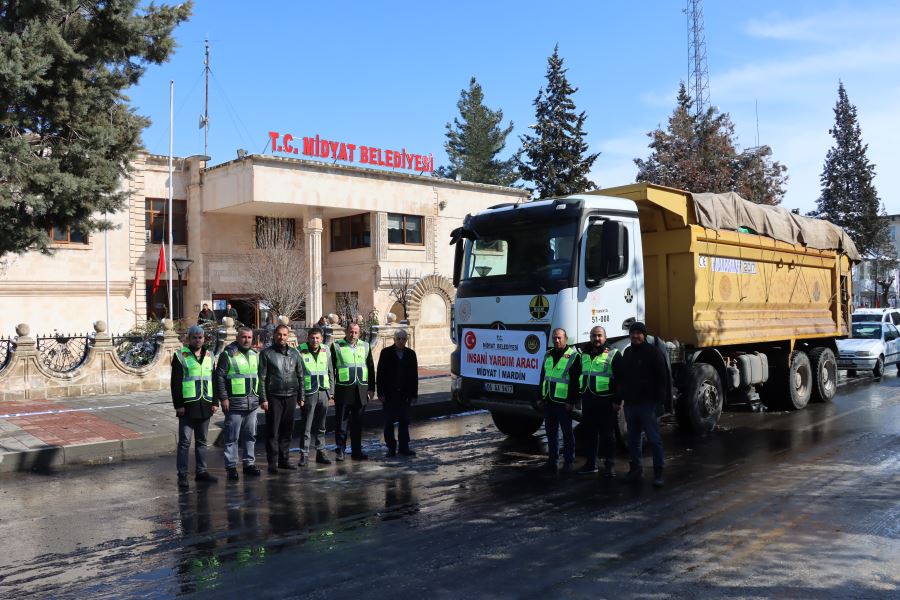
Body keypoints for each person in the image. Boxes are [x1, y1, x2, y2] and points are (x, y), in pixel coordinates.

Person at [618, 322, 667, 487]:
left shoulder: (654, 353)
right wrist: (621, 399)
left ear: (644, 335)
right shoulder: (628, 353)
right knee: (633, 439)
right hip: (631, 405)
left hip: (648, 405)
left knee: (654, 440)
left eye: (639, 333)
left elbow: (662, 380)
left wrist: (660, 403)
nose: (635, 336)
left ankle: (658, 474)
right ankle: (636, 470)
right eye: (633, 333)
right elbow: (622, 379)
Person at [171, 325, 219, 488]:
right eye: (194, 337)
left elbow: (214, 379)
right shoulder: (180, 355)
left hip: (205, 403)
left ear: (204, 339)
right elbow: (175, 383)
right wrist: (179, 405)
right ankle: (182, 475)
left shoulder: (210, 355)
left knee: (202, 441)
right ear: (189, 339)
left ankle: (202, 472)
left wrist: (215, 401)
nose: (198, 340)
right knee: (185, 442)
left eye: (200, 337)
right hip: (187, 405)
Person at [214, 326, 263, 481]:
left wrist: (262, 398)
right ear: (237, 337)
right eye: (243, 337)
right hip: (234, 403)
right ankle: (231, 467)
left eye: (249, 337)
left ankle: (249, 463)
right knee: (232, 437)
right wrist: (224, 398)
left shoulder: (255, 355)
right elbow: (219, 378)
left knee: (250, 435)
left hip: (252, 403)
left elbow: (259, 378)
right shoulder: (227, 355)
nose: (247, 340)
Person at [576, 326, 621, 478]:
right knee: (590, 434)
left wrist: (617, 401)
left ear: (605, 337)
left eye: (599, 336)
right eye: (594, 336)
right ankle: (591, 464)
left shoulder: (613, 354)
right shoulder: (584, 355)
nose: (597, 339)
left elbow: (620, 380)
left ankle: (610, 466)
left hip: (606, 402)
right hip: (588, 401)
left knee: (608, 435)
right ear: (590, 337)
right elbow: (579, 377)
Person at [258, 324, 303, 473]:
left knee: (287, 430)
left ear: (288, 336)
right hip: (274, 396)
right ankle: (272, 461)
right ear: (274, 335)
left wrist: (301, 396)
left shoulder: (295, 353)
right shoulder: (266, 353)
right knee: (273, 430)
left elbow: (301, 376)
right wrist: (263, 398)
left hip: (291, 395)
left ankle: (284, 460)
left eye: (284, 334)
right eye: (279, 334)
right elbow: (262, 378)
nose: (281, 337)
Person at [537, 328, 581, 473]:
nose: (556, 340)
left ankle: (569, 461)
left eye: (559, 338)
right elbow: (543, 378)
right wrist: (540, 397)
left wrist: (571, 401)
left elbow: (575, 382)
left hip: (563, 403)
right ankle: (552, 460)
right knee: (551, 432)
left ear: (566, 339)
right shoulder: (548, 355)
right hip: (549, 401)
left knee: (567, 433)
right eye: (554, 338)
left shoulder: (573, 356)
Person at [331, 322, 375, 461]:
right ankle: (341, 451)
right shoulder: (337, 346)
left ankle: (357, 451)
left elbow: (370, 367)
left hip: (361, 390)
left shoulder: (365, 345)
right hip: (344, 389)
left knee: (358, 423)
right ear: (346, 331)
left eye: (356, 332)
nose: (353, 334)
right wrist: (332, 390)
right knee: (341, 423)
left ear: (359, 333)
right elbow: (331, 369)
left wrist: (371, 388)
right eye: (350, 331)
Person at [376, 329, 418, 458]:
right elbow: (380, 374)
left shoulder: (411, 354)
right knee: (389, 422)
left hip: (405, 394)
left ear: (406, 340)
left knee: (404, 421)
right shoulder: (386, 353)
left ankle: (404, 447)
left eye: (403, 339)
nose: (400, 341)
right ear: (394, 339)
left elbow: (414, 376)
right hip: (389, 394)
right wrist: (380, 393)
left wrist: (414, 395)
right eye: (398, 338)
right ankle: (391, 447)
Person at [297, 327, 335, 467]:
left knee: (321, 425)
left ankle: (321, 452)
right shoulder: (300, 350)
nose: (315, 340)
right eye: (312, 338)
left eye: (317, 338)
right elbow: (298, 375)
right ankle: (304, 454)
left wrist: (331, 391)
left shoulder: (326, 350)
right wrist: (300, 395)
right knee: (306, 426)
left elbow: (330, 371)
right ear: (308, 338)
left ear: (321, 338)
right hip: (309, 393)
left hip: (323, 392)